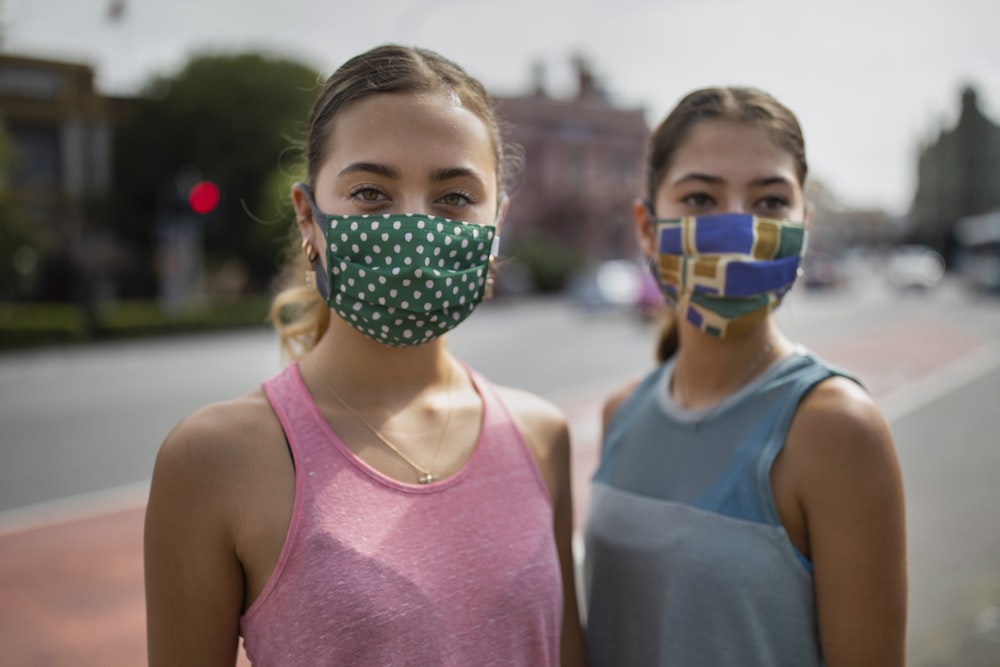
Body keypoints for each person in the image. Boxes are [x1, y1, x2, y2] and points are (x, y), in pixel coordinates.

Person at [144, 44, 586, 666]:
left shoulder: (543, 437)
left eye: (455, 197)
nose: (412, 225)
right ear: (309, 218)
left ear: (496, 226)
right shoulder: (213, 458)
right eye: (371, 193)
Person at [583, 87, 907, 666]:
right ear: (648, 227)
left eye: (769, 202)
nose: (737, 226)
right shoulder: (621, 412)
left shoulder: (834, 428)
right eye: (701, 197)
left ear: (804, 225)